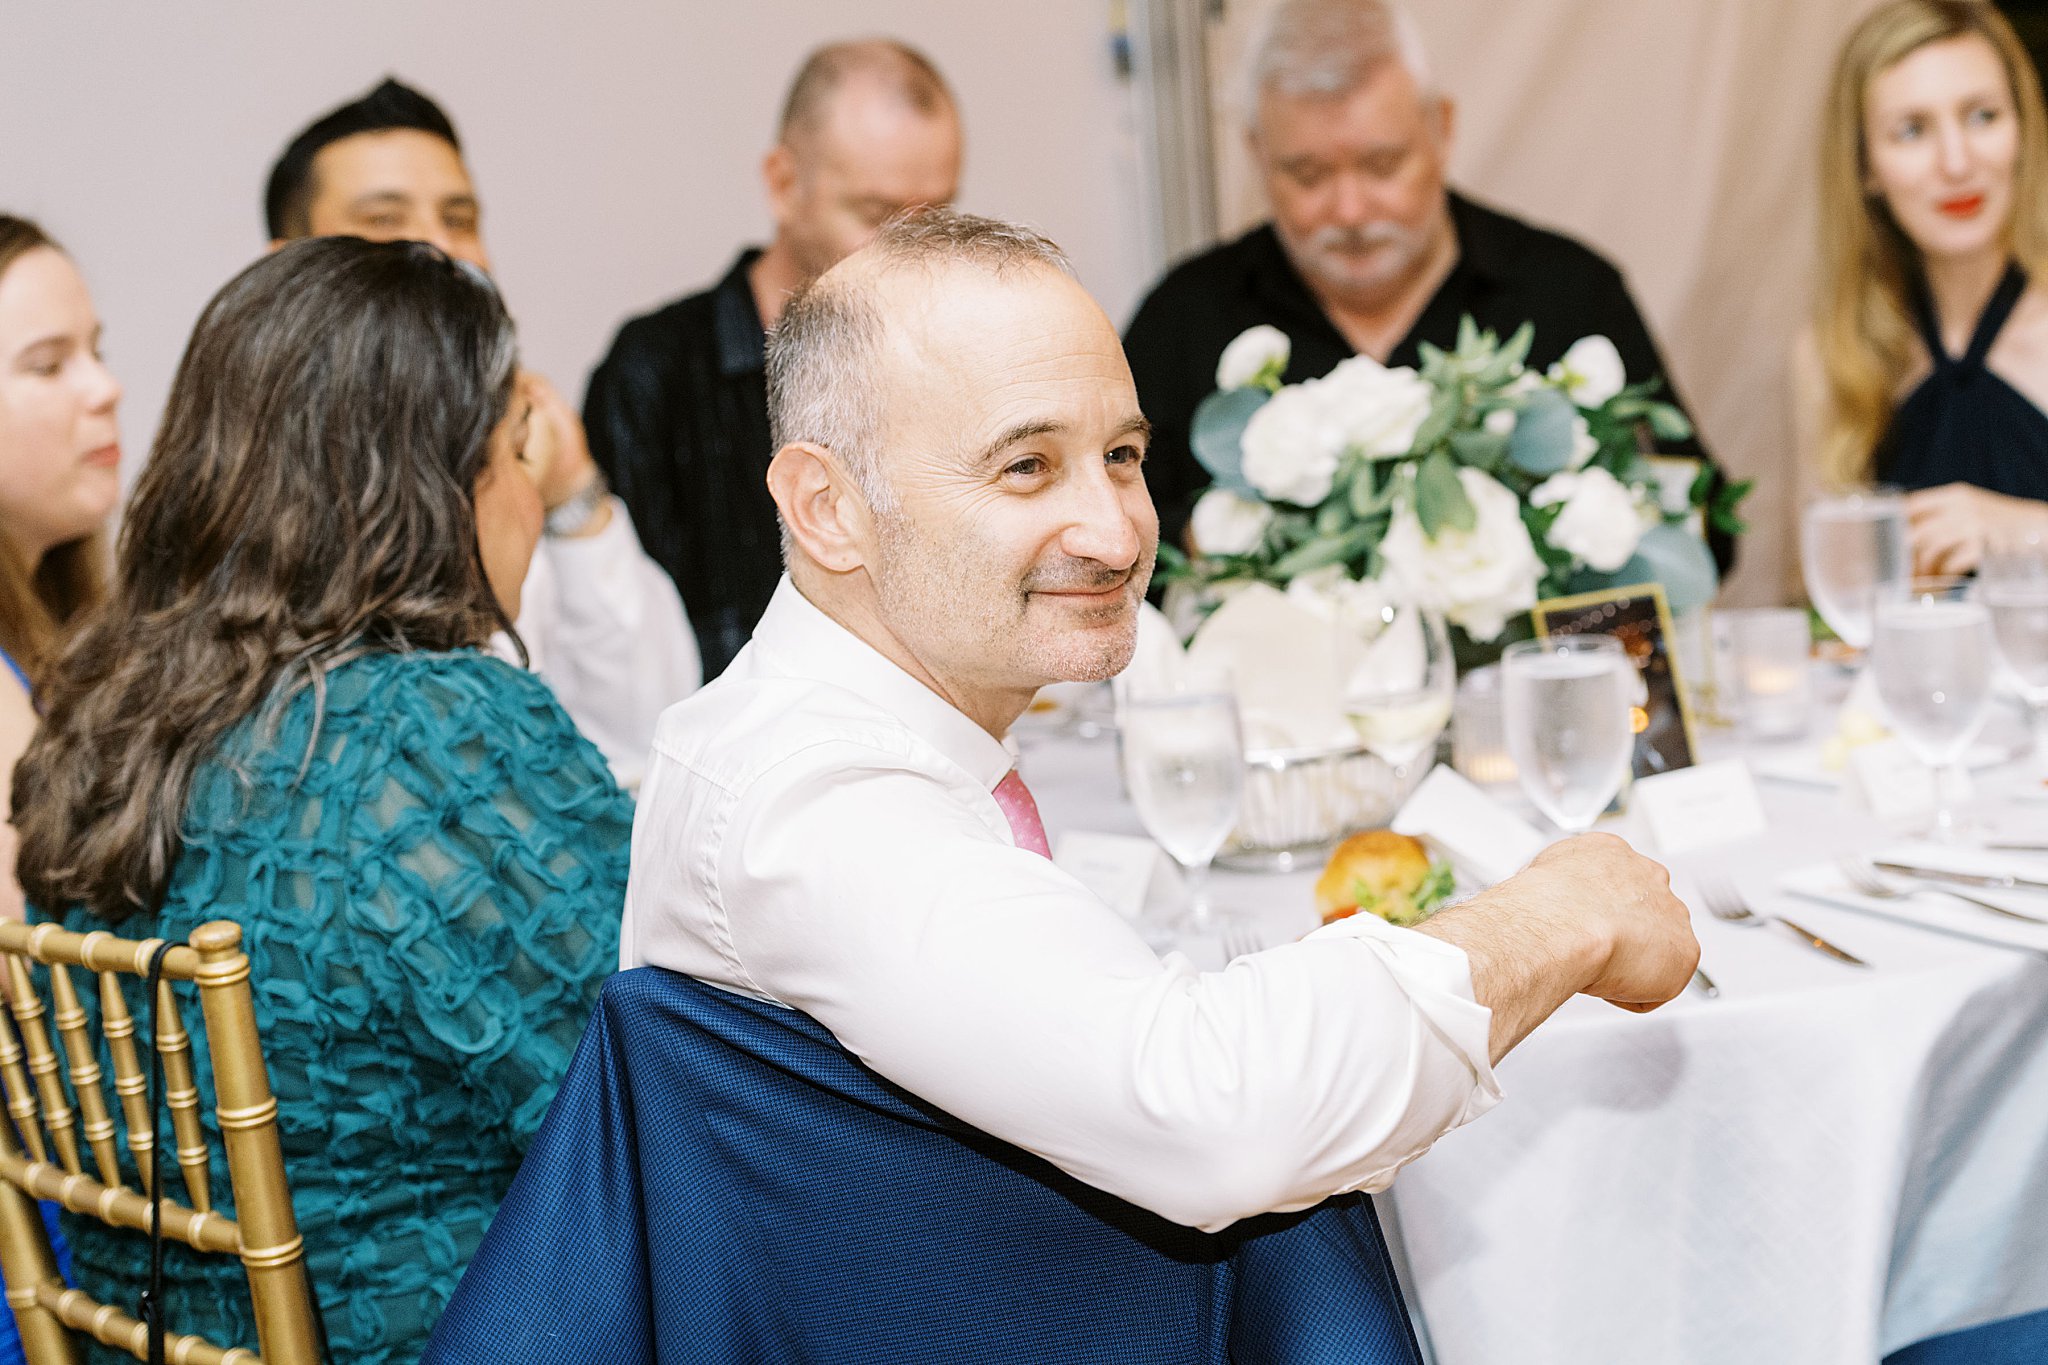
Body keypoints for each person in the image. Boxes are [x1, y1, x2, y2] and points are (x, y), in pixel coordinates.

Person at [623, 208, 1696, 1249]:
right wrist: (1559, 915)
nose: (1113, 531)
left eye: (1123, 457)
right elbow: (1217, 1116)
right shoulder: (813, 803)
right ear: (825, 508)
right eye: (1026, 467)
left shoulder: (873, 725)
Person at [13, 238, 633, 1365]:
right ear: (436, 488)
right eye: (512, 448)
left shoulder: (93, 728)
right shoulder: (427, 738)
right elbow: (647, 1096)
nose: (529, 491)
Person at [1125, 0, 1731, 568]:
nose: (1351, 210)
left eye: (1383, 165)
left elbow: (1705, 525)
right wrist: (1217, 541)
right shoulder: (1185, 316)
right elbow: (1114, 547)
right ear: (1258, 154)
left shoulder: (1566, 291)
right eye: (1307, 175)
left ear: (1441, 130)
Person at [265, 77, 699, 784]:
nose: (442, 249)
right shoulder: (246, 484)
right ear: (287, 264)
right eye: (386, 220)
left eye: (461, 218)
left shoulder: (517, 450)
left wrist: (572, 499)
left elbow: (657, 731)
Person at [583, 40, 963, 678]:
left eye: (939, 216)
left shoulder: (954, 357)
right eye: (877, 213)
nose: (913, 250)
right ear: (785, 185)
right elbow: (621, 648)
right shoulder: (656, 372)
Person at [1799, 0, 2048, 575]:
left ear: (2024, 130)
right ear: (1865, 167)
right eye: (1912, 131)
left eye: (1982, 116)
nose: (1957, 163)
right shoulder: (1833, 356)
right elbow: (1824, 599)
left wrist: (2026, 530)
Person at [0, 214, 112, 1365]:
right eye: (49, 365)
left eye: (97, 347)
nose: (106, 388)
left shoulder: (62, 647)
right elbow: (51, 1011)